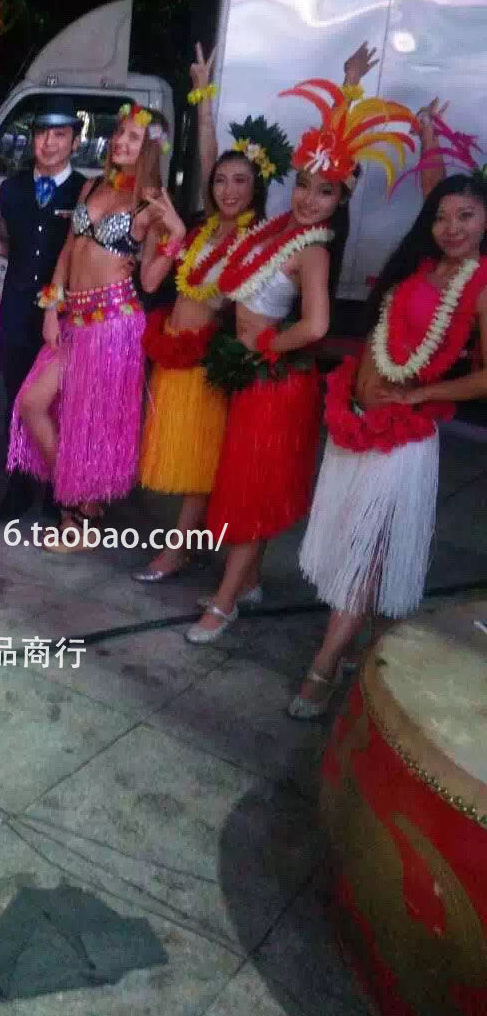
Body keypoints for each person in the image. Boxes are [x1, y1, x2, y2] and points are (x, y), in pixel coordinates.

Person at [185, 75, 416, 644]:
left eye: (325, 193)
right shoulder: (275, 231)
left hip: (276, 382)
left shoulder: (312, 249)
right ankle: (248, 581)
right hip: (254, 378)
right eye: (305, 185)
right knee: (244, 479)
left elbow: (315, 326)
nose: (310, 200)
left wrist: (266, 346)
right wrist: (348, 88)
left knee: (256, 486)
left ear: (341, 201)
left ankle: (224, 603)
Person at [289, 170, 487, 717]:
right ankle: (364, 642)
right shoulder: (418, 267)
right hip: (355, 420)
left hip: (402, 434)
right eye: (442, 216)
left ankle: (324, 666)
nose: (451, 227)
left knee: (365, 549)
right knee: (353, 539)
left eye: (466, 216)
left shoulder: (481, 285)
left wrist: (419, 395)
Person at [134, 44, 291, 583]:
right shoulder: (203, 227)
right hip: (172, 350)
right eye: (221, 181)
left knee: (199, 460)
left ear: (257, 187)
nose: (228, 189)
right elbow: (208, 154)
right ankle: (191, 544)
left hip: (204, 359)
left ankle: (177, 551)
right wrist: (202, 92)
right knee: (180, 453)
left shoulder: (255, 241)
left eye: (241, 181)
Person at [7, 102, 181, 550]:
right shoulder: (92, 186)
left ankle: (81, 516)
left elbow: (149, 281)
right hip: (73, 319)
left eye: (132, 138)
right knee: (32, 403)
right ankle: (76, 499)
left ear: (149, 149)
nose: (120, 142)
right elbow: (69, 249)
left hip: (114, 326)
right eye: (119, 133)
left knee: (91, 423)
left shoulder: (150, 203)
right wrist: (52, 306)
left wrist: (176, 237)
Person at [0, 95, 86, 522]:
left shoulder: (85, 190)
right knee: (16, 398)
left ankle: (55, 486)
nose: (48, 143)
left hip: (61, 316)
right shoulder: (11, 188)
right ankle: (18, 485)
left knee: (56, 403)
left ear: (75, 141)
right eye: (41, 134)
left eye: (59, 134)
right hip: (16, 310)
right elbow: (4, 243)